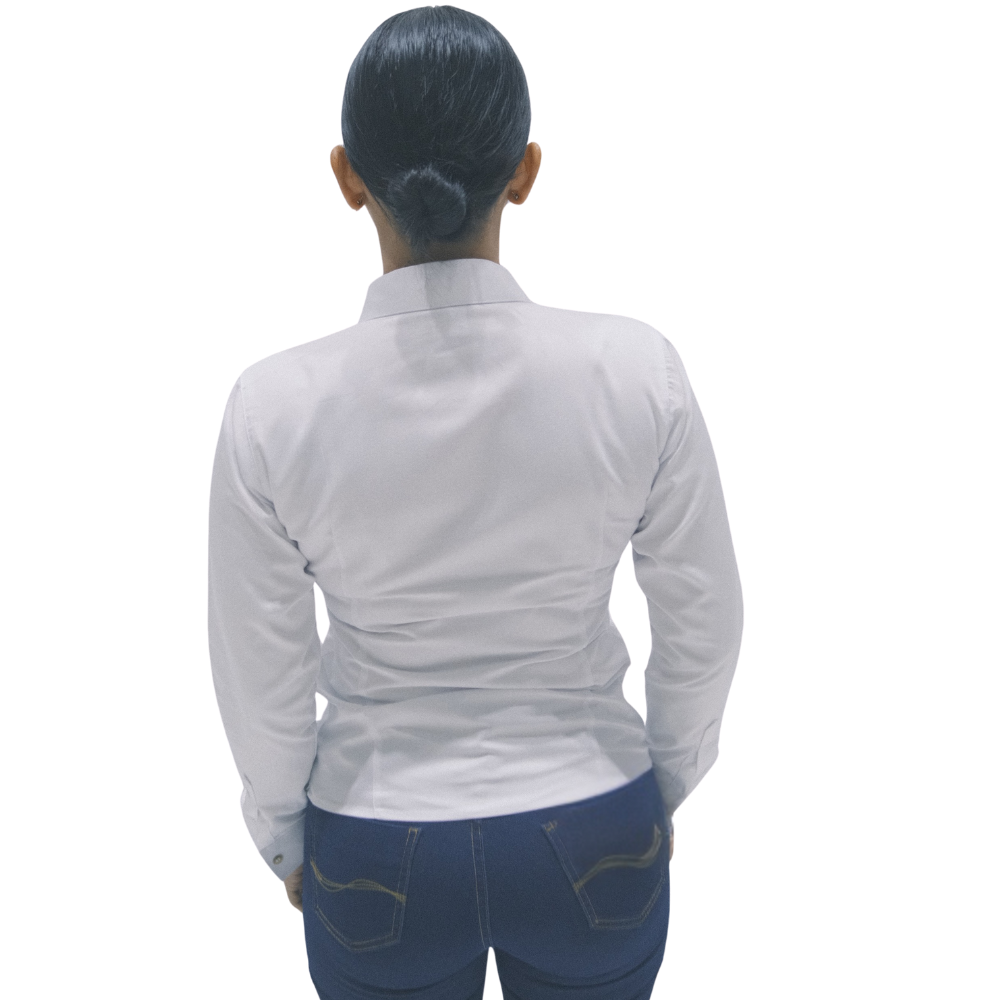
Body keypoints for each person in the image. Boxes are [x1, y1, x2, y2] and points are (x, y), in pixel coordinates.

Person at [207, 6, 743, 999]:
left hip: (375, 843)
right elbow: (704, 620)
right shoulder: (637, 372)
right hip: (594, 831)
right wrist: (656, 785)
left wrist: (285, 834)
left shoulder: (274, 407)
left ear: (346, 175)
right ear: (525, 170)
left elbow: (258, 670)